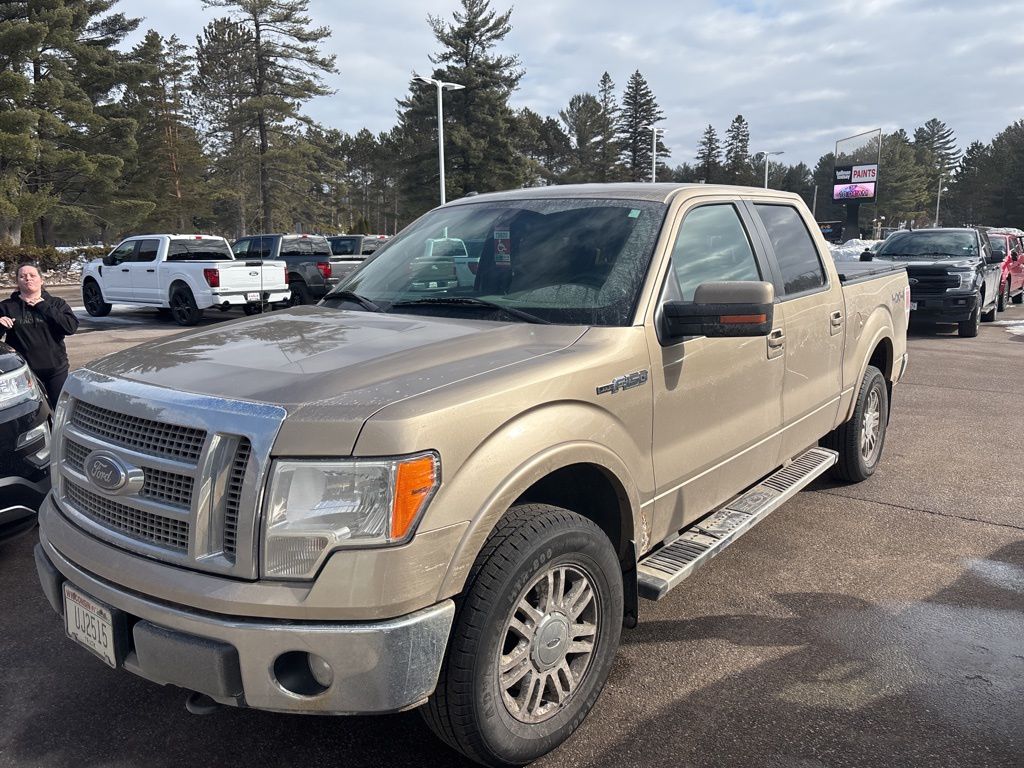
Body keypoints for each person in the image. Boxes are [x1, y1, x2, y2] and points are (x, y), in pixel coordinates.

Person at [0, 262, 79, 408]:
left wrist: (43, 306)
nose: (28, 279)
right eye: (22, 276)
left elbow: (70, 327)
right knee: (32, 412)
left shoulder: (56, 303)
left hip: (56, 369)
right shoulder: (7, 306)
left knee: (61, 409)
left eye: (32, 275)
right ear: (17, 282)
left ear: (41, 280)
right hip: (24, 373)